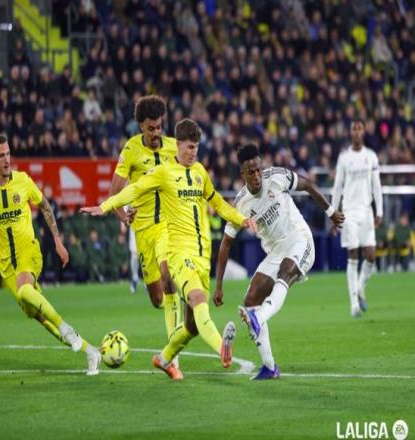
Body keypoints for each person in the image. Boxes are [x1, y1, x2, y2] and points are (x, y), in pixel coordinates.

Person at [82, 119, 257, 380]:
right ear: (178, 145)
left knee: (192, 326)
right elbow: (134, 189)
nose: (194, 152)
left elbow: (218, 202)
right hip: (178, 254)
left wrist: (241, 219)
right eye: (189, 147)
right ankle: (223, 347)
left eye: (196, 147)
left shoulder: (199, 172)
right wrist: (105, 206)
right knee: (197, 299)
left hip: (202, 255)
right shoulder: (164, 172)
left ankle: (164, 358)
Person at [0, 133, 101, 376]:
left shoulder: (23, 180)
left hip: (29, 251)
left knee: (24, 290)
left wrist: (58, 241)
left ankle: (66, 328)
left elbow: (45, 207)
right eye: (1, 155)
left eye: (8, 154)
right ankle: (89, 351)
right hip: (6, 267)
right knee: (39, 315)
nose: (7, 159)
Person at [214, 144, 344, 380]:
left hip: (299, 238)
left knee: (285, 271)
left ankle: (259, 317)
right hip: (275, 251)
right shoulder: (241, 204)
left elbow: (308, 185)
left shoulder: (276, 176)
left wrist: (331, 212)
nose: (256, 175)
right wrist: (219, 285)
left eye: (258, 169)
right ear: (242, 174)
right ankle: (269, 367)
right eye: (250, 172)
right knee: (251, 299)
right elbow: (225, 244)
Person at [108, 95, 180, 362]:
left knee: (168, 275)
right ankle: (176, 307)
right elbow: (114, 194)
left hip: (167, 227)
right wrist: (123, 217)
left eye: (159, 127)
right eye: (151, 128)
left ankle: (173, 355)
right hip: (143, 231)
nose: (156, 133)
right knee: (157, 299)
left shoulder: (173, 147)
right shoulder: (130, 150)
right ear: (141, 126)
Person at [331, 118, 383, 317]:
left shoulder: (371, 156)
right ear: (350, 132)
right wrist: (333, 212)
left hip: (366, 211)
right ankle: (353, 304)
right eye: (354, 129)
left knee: (370, 256)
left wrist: (379, 212)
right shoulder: (344, 158)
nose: (357, 132)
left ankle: (361, 288)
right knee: (353, 254)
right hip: (349, 212)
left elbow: (377, 186)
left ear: (364, 132)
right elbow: (337, 186)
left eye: (360, 129)